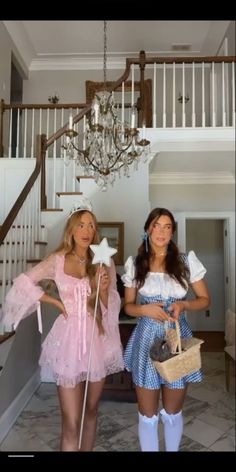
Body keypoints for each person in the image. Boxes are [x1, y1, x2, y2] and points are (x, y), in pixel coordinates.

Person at [1, 197, 124, 451]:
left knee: (91, 412)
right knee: (70, 422)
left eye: (91, 226)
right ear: (71, 228)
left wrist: (102, 290)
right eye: (81, 225)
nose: (86, 231)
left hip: (96, 340)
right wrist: (56, 303)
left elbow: (111, 304)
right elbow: (23, 283)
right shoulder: (57, 260)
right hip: (67, 342)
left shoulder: (103, 262)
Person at [121, 207, 210, 452]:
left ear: (172, 232)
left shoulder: (185, 262)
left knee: (173, 411)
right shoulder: (135, 264)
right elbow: (128, 306)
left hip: (176, 339)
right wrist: (144, 310)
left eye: (167, 226)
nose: (161, 231)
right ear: (147, 229)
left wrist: (184, 304)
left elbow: (204, 299)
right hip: (146, 339)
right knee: (147, 415)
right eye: (156, 225)